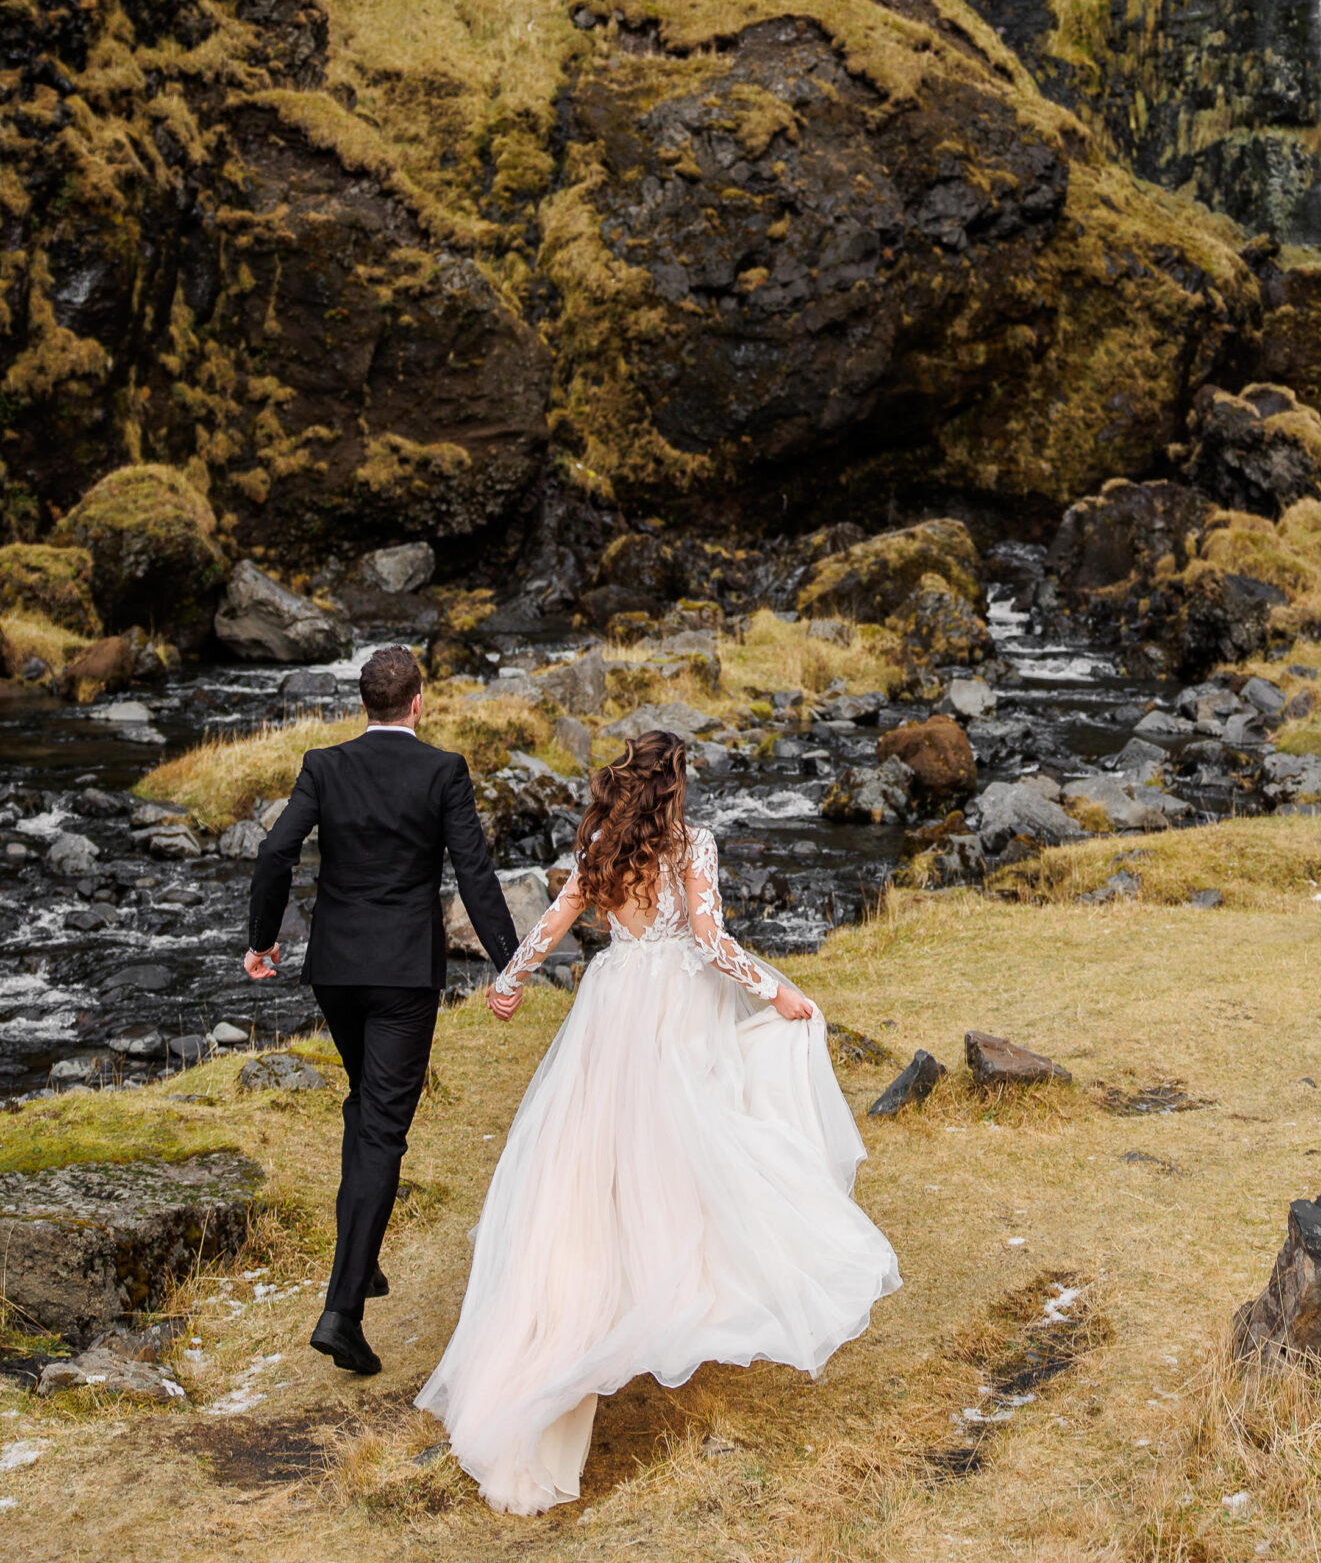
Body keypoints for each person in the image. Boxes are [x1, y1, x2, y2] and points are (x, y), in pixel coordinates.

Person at [416, 728, 900, 1517]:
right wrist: (775, 991)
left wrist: (508, 982)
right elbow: (709, 941)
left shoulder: (602, 840)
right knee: (692, 1138)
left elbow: (557, 919)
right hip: (674, 1003)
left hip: (611, 1001)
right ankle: (673, 1286)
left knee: (598, 1155)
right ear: (674, 781)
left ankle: (611, 1291)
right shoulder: (691, 843)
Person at [245, 643, 519, 1379]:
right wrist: (509, 961)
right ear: (418, 702)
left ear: (364, 703)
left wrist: (261, 941)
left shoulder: (322, 765)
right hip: (402, 976)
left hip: (334, 970)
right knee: (383, 1131)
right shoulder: (442, 771)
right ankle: (342, 1313)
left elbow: (275, 853)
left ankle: (359, 1264)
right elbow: (475, 871)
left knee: (366, 1105)